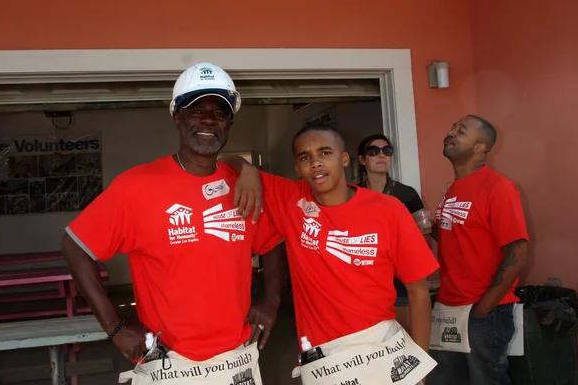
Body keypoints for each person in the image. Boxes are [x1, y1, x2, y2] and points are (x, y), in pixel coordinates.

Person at [60, 62, 286, 373]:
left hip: (238, 358)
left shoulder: (241, 186)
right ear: (177, 117)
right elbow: (75, 246)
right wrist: (115, 327)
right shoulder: (136, 187)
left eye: (219, 113)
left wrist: (271, 301)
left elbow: (273, 244)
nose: (208, 119)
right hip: (171, 362)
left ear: (229, 124)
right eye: (196, 110)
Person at [224, 123, 440, 383]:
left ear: (345, 159)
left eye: (325, 152)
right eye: (305, 157)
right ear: (298, 168)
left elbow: (418, 291)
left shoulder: (389, 210)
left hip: (382, 349)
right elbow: (227, 160)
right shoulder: (291, 199)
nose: (315, 162)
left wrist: (420, 365)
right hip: (325, 363)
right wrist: (248, 170)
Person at [426, 115, 529, 385]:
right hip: (448, 307)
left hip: (482, 310)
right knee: (445, 380)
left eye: (461, 130)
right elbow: (455, 234)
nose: (450, 132)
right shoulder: (451, 190)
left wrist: (483, 309)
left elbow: (516, 253)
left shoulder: (499, 188)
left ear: (480, 148)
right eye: (452, 127)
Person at [357, 134, 428, 331]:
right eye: (373, 151)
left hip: (400, 278)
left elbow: (423, 234)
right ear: (362, 160)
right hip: (364, 277)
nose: (381, 155)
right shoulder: (352, 193)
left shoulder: (406, 194)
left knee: (402, 336)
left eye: (387, 151)